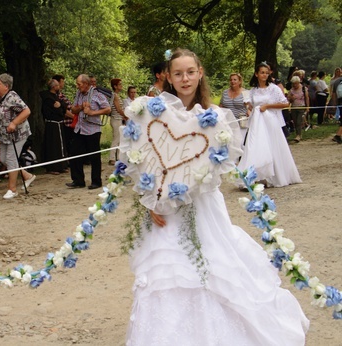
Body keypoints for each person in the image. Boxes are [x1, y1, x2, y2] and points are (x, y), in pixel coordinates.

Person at [124, 48, 308, 345]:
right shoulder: (151, 113)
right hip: (163, 209)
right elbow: (142, 161)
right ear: (168, 77)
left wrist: (190, 183)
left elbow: (217, 167)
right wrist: (150, 201)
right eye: (178, 73)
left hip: (201, 206)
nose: (185, 79)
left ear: (200, 73)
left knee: (209, 265)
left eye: (190, 72)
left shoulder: (216, 117)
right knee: (167, 272)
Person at [238, 62, 301, 187]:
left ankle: (273, 175)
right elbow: (251, 104)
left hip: (269, 120)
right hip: (257, 122)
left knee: (272, 145)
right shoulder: (253, 90)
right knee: (255, 146)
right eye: (262, 73)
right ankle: (256, 175)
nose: (264, 75)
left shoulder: (273, 88)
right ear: (256, 74)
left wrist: (267, 106)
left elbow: (284, 103)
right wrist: (248, 106)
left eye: (267, 73)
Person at [0, 73, 36, 199]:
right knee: (4, 159)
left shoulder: (12, 96)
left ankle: (12, 189)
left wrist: (14, 123)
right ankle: (27, 176)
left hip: (17, 134)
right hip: (3, 135)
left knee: (11, 159)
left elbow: (27, 111)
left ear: (6, 86)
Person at [65, 74, 111, 190]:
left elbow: (107, 109)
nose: (77, 86)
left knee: (94, 156)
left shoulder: (97, 94)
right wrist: (81, 107)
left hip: (93, 130)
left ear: (86, 84)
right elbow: (73, 109)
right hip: (80, 128)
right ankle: (78, 180)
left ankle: (96, 181)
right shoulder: (79, 94)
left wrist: (92, 113)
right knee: (75, 153)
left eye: (79, 84)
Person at [40, 79, 68, 175]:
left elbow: (64, 105)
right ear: (53, 87)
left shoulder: (56, 96)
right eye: (57, 85)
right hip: (52, 124)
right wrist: (59, 108)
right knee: (53, 146)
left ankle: (61, 166)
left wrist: (60, 105)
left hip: (59, 123)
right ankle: (52, 167)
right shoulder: (47, 98)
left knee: (60, 146)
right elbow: (51, 111)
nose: (59, 87)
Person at [219, 72, 248, 142]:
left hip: (241, 123)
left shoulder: (246, 93)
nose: (232, 81)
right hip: (227, 122)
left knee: (239, 143)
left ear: (240, 81)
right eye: (231, 80)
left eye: (235, 80)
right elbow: (220, 106)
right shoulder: (225, 92)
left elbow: (250, 108)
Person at [52, 74, 75, 158]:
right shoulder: (57, 96)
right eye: (62, 82)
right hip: (66, 123)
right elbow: (63, 110)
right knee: (67, 142)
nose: (63, 83)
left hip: (70, 123)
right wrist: (74, 117)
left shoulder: (62, 94)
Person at [109, 78, 127, 165]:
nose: (121, 86)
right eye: (119, 84)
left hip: (118, 118)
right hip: (116, 118)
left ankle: (118, 157)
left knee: (119, 138)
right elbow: (118, 109)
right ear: (115, 86)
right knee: (116, 138)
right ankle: (112, 157)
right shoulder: (115, 95)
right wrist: (126, 115)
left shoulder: (116, 95)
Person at [287, 76, 309, 143]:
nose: (294, 85)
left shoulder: (303, 89)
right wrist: (291, 99)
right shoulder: (291, 90)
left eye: (296, 83)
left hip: (301, 107)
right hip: (294, 107)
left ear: (299, 82)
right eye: (293, 83)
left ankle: (298, 135)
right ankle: (298, 134)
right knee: (295, 122)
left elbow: (307, 98)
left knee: (299, 121)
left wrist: (307, 107)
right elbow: (288, 99)